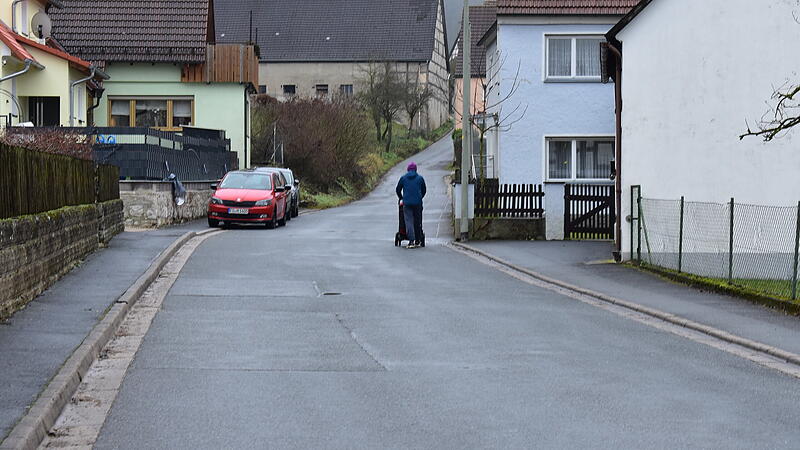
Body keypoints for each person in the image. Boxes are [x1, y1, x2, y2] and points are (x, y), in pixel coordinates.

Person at [396, 162, 426, 248]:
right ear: (416, 169)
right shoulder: (420, 178)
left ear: (408, 169)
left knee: (408, 221)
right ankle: (418, 239)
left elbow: (398, 189)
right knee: (417, 221)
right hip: (417, 203)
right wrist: (420, 197)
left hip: (407, 203)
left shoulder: (403, 178)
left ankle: (411, 240)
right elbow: (424, 190)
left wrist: (401, 197)